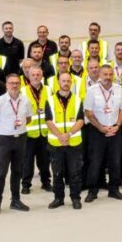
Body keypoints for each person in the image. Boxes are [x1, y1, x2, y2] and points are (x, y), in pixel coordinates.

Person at [0, 72, 31, 215]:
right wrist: (4, 131)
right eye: (11, 83)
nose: (14, 85)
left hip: (21, 139)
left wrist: (18, 128)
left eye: (17, 83)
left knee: (17, 171)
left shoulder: (25, 100)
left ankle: (15, 200)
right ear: (6, 85)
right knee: (1, 173)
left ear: (20, 84)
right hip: (5, 140)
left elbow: (28, 119)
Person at [84, 64, 122, 201]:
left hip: (115, 130)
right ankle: (93, 191)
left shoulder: (118, 89)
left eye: (110, 74)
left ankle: (114, 190)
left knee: (115, 161)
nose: (108, 78)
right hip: (97, 131)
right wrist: (100, 127)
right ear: (100, 76)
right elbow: (88, 112)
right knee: (95, 162)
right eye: (105, 75)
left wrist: (118, 126)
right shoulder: (92, 90)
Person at [45, 70, 86, 209]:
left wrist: (68, 135)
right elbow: (49, 121)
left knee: (75, 172)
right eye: (63, 81)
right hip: (56, 144)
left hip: (73, 143)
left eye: (68, 81)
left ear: (71, 83)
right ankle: (58, 198)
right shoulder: (50, 100)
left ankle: (75, 198)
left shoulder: (78, 100)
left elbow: (81, 120)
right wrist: (60, 136)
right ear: (58, 82)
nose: (66, 83)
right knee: (57, 173)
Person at [20, 64, 52, 193]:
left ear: (42, 75)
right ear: (28, 76)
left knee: (44, 160)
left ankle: (46, 182)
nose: (35, 77)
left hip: (44, 132)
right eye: (33, 75)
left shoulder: (49, 90)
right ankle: (26, 184)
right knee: (27, 160)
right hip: (28, 132)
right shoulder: (22, 91)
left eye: (38, 74)